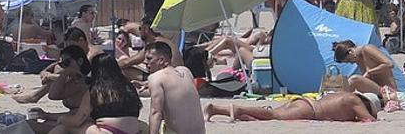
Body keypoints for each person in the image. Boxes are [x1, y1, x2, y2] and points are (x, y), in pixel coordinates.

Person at [51, 54, 143, 134]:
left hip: (109, 131)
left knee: (64, 126)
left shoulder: (96, 91)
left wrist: (62, 118)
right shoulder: (128, 88)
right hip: (134, 131)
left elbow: (77, 120)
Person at [21, 45, 91, 133]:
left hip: (83, 122)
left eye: (67, 63)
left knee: (31, 126)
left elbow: (53, 95)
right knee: (35, 124)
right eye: (62, 64)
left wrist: (65, 73)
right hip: (74, 118)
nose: (64, 66)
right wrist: (58, 72)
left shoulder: (82, 81)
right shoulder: (71, 78)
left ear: (80, 61)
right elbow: (52, 93)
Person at [204, 91, 380, 123]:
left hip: (305, 103)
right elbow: (368, 120)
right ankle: (239, 109)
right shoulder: (354, 100)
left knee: (267, 116)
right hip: (310, 111)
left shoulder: (345, 94)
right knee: (273, 115)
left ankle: (217, 109)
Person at [146, 42, 206, 134]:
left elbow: (156, 113)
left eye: (149, 59)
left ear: (161, 60)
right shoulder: (186, 71)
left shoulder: (155, 78)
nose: (145, 62)